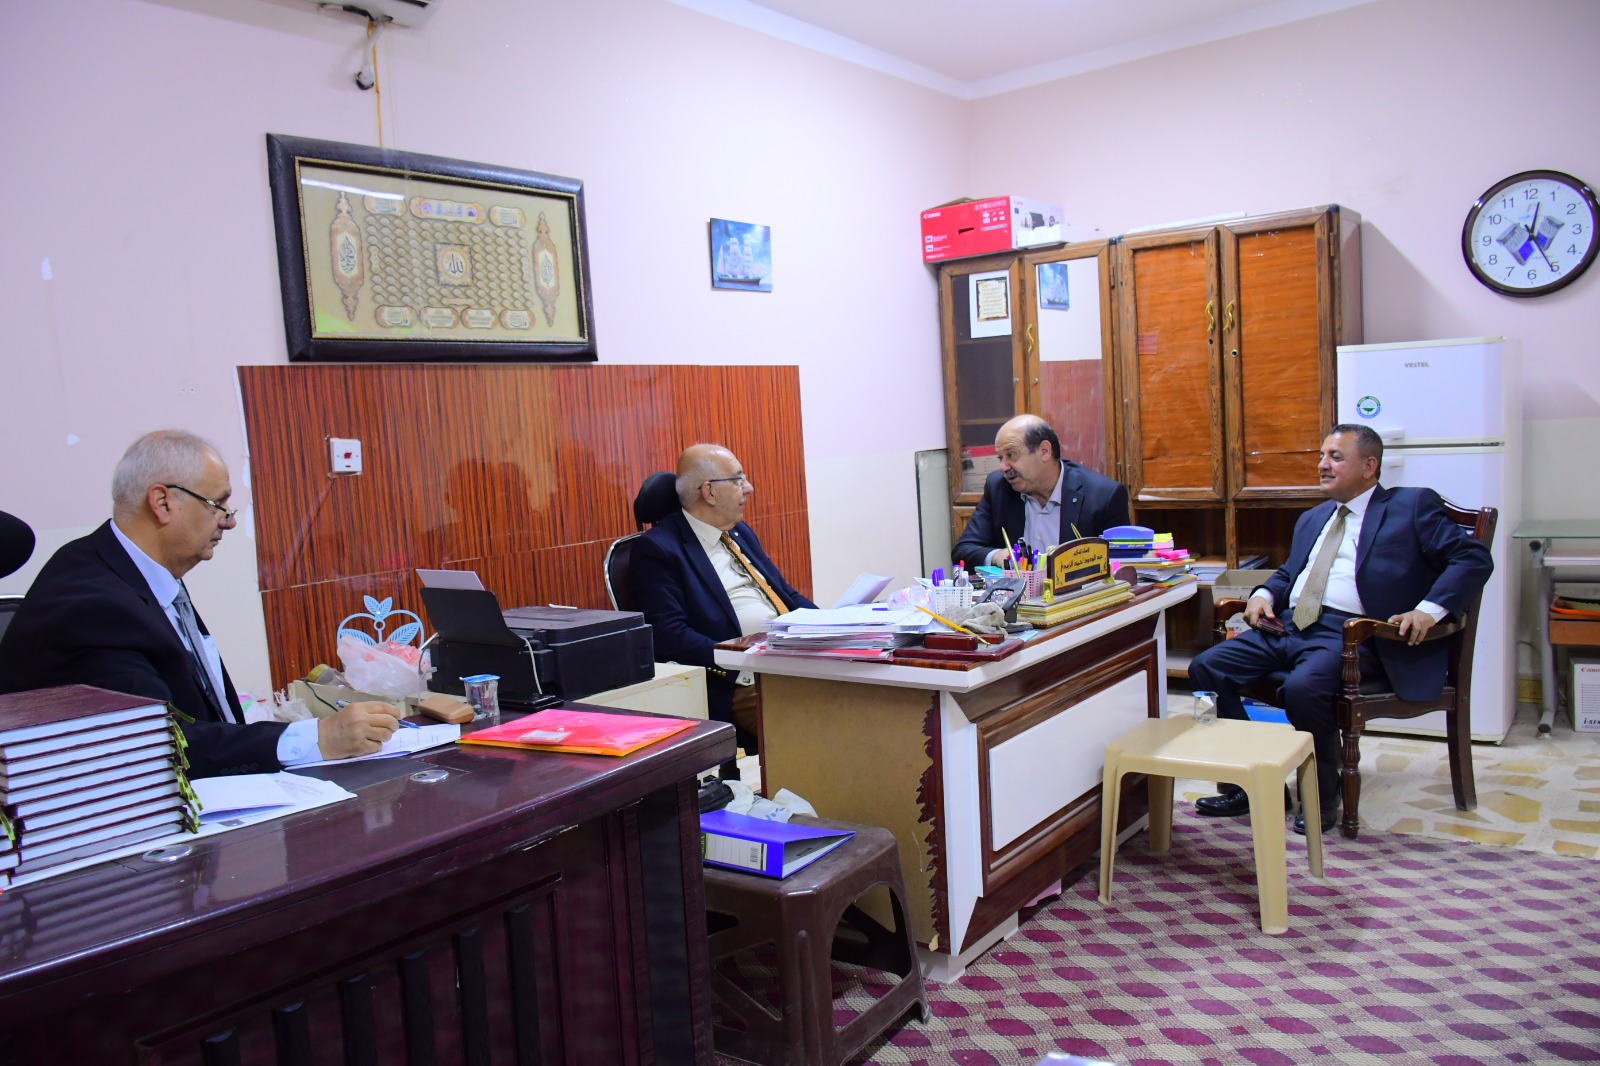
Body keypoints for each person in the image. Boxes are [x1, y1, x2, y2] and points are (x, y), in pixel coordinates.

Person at [0, 430, 403, 778]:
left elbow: (206, 712)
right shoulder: (91, 602)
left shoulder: (137, 572)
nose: (229, 520)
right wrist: (319, 736)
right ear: (162, 503)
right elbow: (158, 745)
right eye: (218, 505)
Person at [1187, 424, 1493, 834]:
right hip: (1290, 627)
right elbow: (1291, 573)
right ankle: (1248, 782)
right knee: (1205, 669)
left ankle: (1321, 794)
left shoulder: (1411, 506)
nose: (1322, 465)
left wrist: (1428, 610)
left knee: (1302, 689)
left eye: (1335, 457)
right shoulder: (1314, 517)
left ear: (1369, 466)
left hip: (1353, 635)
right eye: (1321, 456)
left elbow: (1472, 558)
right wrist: (1263, 593)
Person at [631, 444, 815, 774]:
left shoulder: (739, 531)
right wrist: (741, 655)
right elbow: (669, 634)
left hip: (788, 660)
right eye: (738, 480)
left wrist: (832, 628)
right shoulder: (658, 549)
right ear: (709, 492)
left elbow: (784, 594)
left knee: (869, 696)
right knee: (825, 720)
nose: (749, 488)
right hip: (739, 679)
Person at [953, 414, 1130, 570]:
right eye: (1001, 458)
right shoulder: (999, 487)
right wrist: (998, 556)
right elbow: (963, 550)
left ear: (1044, 451)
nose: (1003, 467)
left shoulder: (1103, 496)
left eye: (1011, 455)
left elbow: (1121, 565)